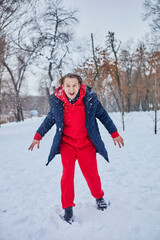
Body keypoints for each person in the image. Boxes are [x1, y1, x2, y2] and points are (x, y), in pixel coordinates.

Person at [28, 73, 124, 224]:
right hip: (67, 145)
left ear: (80, 86)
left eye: (74, 85)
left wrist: (114, 133)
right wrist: (38, 136)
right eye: (68, 85)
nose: (71, 89)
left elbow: (104, 116)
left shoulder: (90, 100)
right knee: (67, 177)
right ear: (62, 87)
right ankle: (68, 209)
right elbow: (49, 120)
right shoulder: (58, 102)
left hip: (86, 145)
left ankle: (99, 197)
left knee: (92, 175)